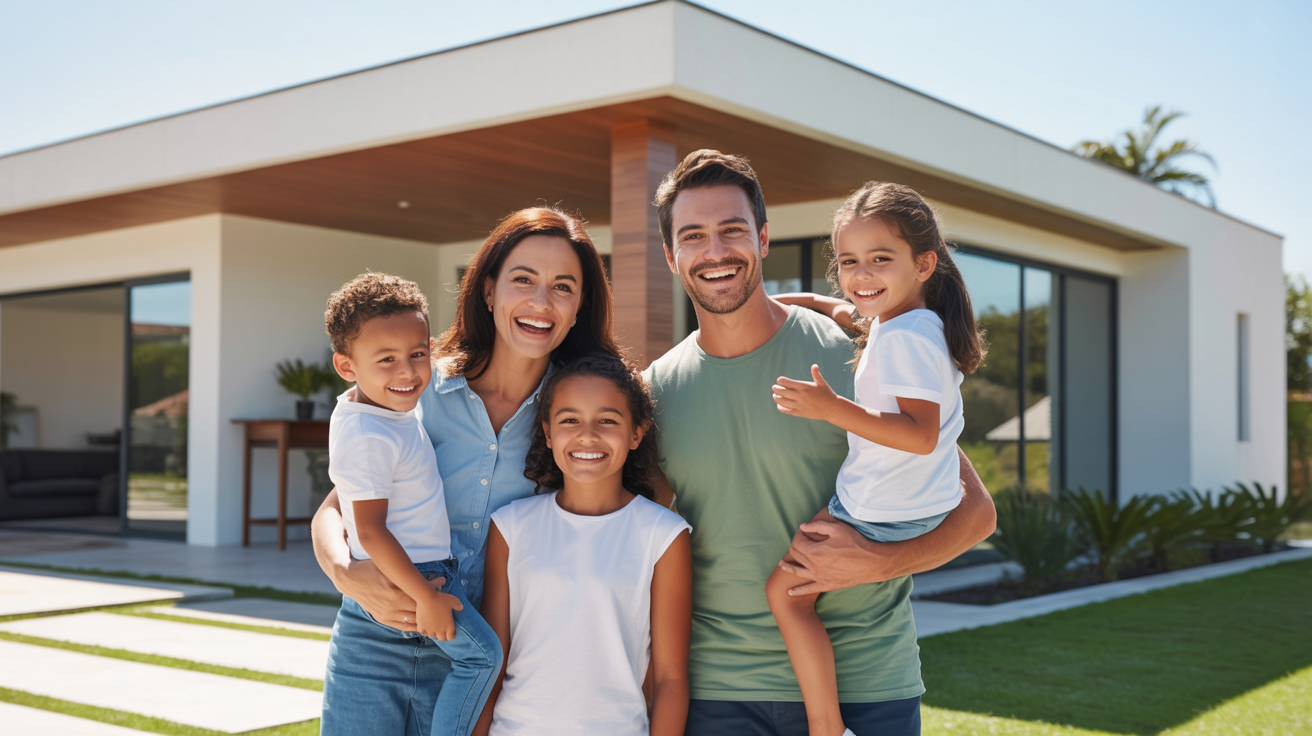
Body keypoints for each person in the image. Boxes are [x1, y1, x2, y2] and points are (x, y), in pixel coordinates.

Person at [643, 150, 997, 736]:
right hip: (720, 693)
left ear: (761, 238)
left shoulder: (854, 351)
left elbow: (977, 513)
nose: (715, 252)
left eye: (732, 231)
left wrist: (882, 561)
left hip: (867, 682)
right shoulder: (654, 394)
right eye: (693, 236)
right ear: (670, 255)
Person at [312, 207, 620, 736]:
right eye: (523, 279)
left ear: (579, 305)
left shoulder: (578, 421)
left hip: (483, 657)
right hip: (375, 639)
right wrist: (345, 573)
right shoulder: (416, 387)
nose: (540, 302)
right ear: (488, 290)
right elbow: (336, 508)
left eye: (563, 286)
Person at [765, 182, 986, 736]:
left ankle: (825, 726)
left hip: (880, 512)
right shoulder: (912, 322)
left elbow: (918, 435)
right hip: (917, 502)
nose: (861, 276)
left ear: (924, 263)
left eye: (880, 260)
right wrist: (807, 304)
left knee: (785, 596)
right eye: (848, 262)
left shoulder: (906, 337)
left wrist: (830, 408)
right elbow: (856, 312)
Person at [319, 272, 501, 736]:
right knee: (484, 657)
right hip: (415, 578)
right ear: (346, 366)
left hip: (419, 573)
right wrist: (426, 598)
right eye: (386, 360)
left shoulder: (377, 410)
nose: (407, 372)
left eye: (418, 354)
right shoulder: (369, 434)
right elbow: (371, 529)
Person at [475, 354, 692, 736]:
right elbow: (491, 663)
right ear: (547, 432)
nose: (587, 434)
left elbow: (670, 680)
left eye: (607, 420)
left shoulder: (664, 535)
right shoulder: (510, 526)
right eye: (569, 420)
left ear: (636, 433)